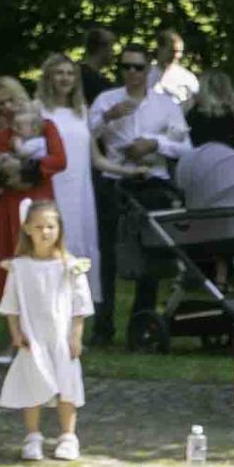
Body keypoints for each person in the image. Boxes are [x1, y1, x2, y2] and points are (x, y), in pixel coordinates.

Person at [90, 44, 189, 345]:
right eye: (126, 67)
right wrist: (107, 118)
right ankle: (102, 329)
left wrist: (155, 144)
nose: (132, 73)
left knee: (149, 258)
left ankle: (140, 328)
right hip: (114, 181)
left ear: (149, 69)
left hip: (152, 183)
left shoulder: (165, 104)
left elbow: (185, 146)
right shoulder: (106, 100)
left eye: (138, 67)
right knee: (107, 254)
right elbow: (85, 138)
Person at [0, 199, 90, 458]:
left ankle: (68, 436)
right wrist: (16, 333)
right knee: (32, 383)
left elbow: (80, 305)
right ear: (27, 229)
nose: (45, 232)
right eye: (39, 227)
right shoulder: (20, 267)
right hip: (33, 336)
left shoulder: (69, 266)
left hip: (61, 336)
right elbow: (11, 304)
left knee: (66, 384)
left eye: (51, 227)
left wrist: (75, 336)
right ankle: (32, 435)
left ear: (59, 228)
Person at [0, 78, 66, 305]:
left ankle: (42, 319)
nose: (7, 107)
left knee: (38, 256)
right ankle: (13, 322)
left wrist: (27, 170)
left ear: (21, 97)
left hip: (36, 199)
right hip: (4, 203)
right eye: (0, 103)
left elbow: (59, 160)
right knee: (7, 259)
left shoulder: (44, 125)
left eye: (11, 100)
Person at [34, 54, 102, 312]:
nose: (65, 78)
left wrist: (130, 169)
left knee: (78, 245)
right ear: (48, 77)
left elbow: (95, 157)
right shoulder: (38, 109)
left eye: (70, 73)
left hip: (80, 191)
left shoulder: (81, 111)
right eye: (59, 73)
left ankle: (74, 312)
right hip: (51, 188)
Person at [148, 26, 200, 109]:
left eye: (179, 52)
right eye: (172, 51)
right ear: (160, 49)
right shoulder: (144, 74)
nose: (176, 56)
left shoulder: (187, 78)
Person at [76, 27, 118, 103]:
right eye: (111, 47)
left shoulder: (103, 81)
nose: (113, 52)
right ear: (102, 48)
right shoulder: (80, 76)